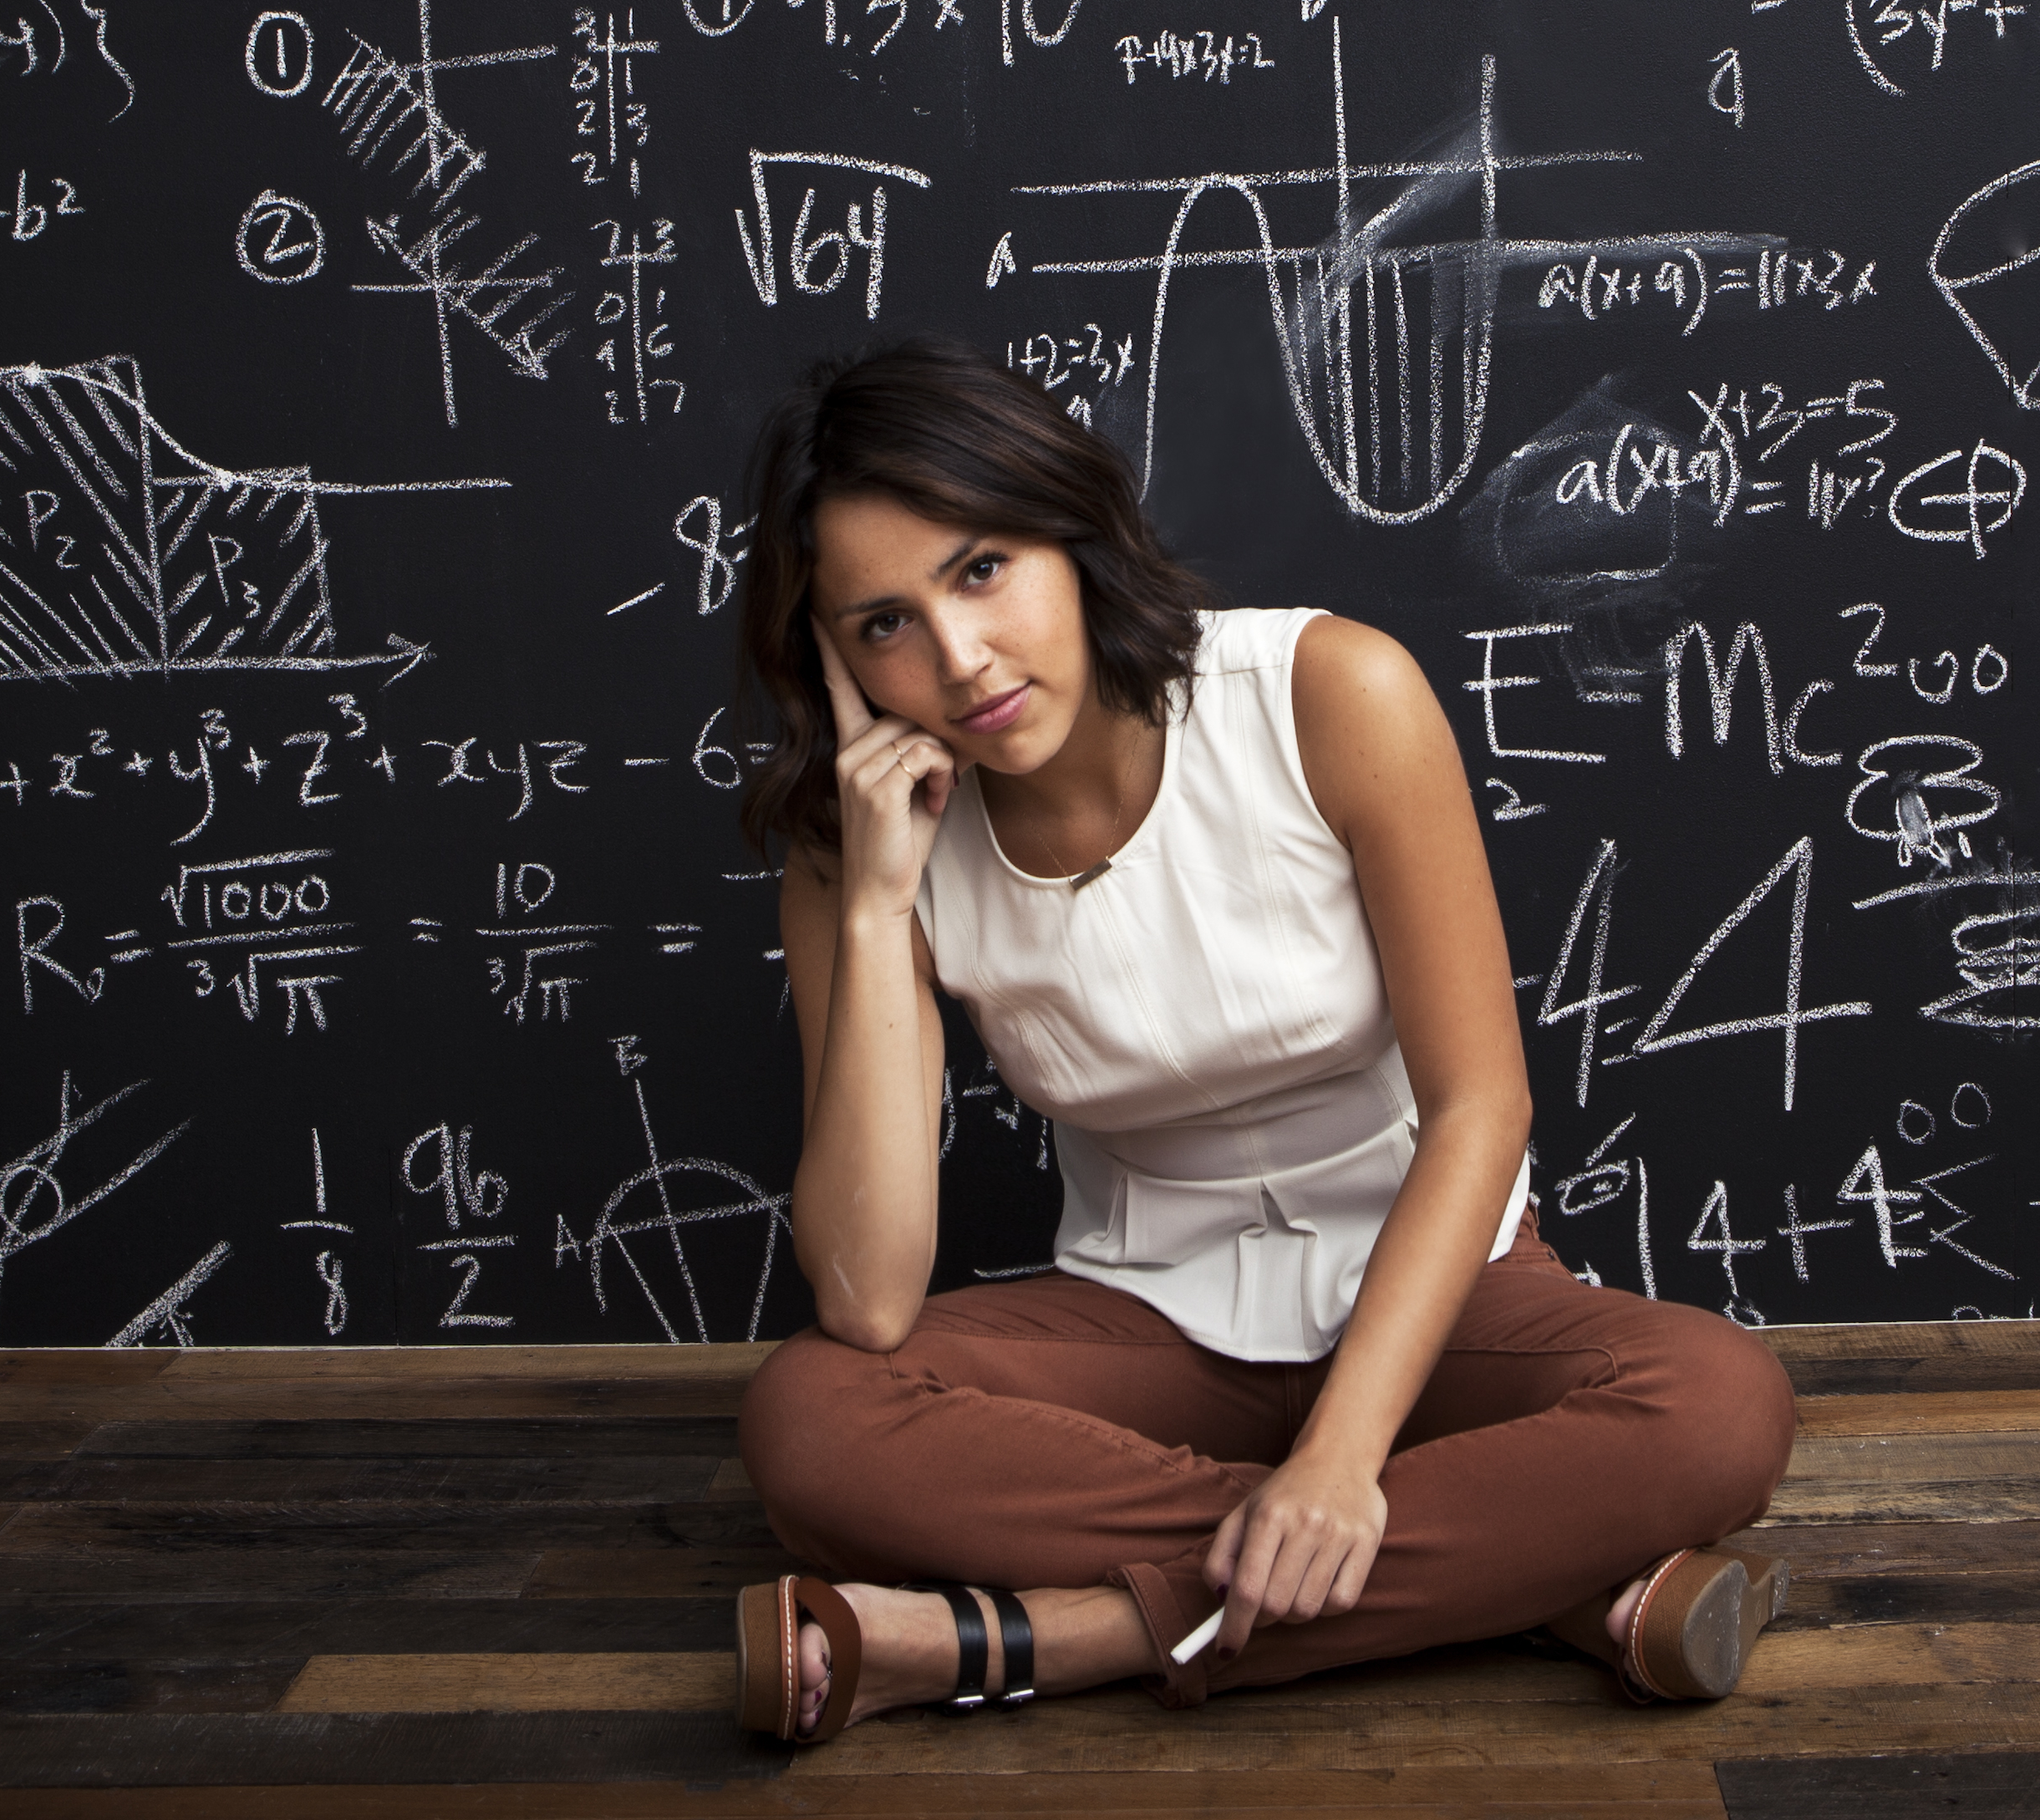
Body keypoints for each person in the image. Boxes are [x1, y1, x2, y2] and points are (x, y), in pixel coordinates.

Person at [725, 342, 1801, 1743]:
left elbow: (1481, 1108)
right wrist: (874, 910)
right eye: (883, 625)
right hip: (1149, 1316)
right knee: (813, 1420)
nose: (959, 660)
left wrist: (1348, 1458)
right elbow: (868, 1297)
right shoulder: (861, 849)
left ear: (1069, 529)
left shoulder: (1328, 693)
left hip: (1441, 1293)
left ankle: (1040, 1638)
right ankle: (1530, 1586)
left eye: (982, 569)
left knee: (1720, 1406)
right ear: (835, 660)